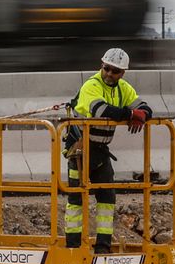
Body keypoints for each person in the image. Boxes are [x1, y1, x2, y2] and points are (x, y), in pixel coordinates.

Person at [64, 47, 152, 252]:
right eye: (107, 69)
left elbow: (146, 109)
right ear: (101, 65)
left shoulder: (123, 89)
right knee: (76, 199)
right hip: (80, 151)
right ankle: (73, 247)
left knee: (107, 198)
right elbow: (101, 110)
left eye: (115, 71)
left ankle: (103, 247)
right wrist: (131, 114)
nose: (110, 74)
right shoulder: (91, 86)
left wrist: (140, 114)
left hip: (101, 153)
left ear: (123, 73)